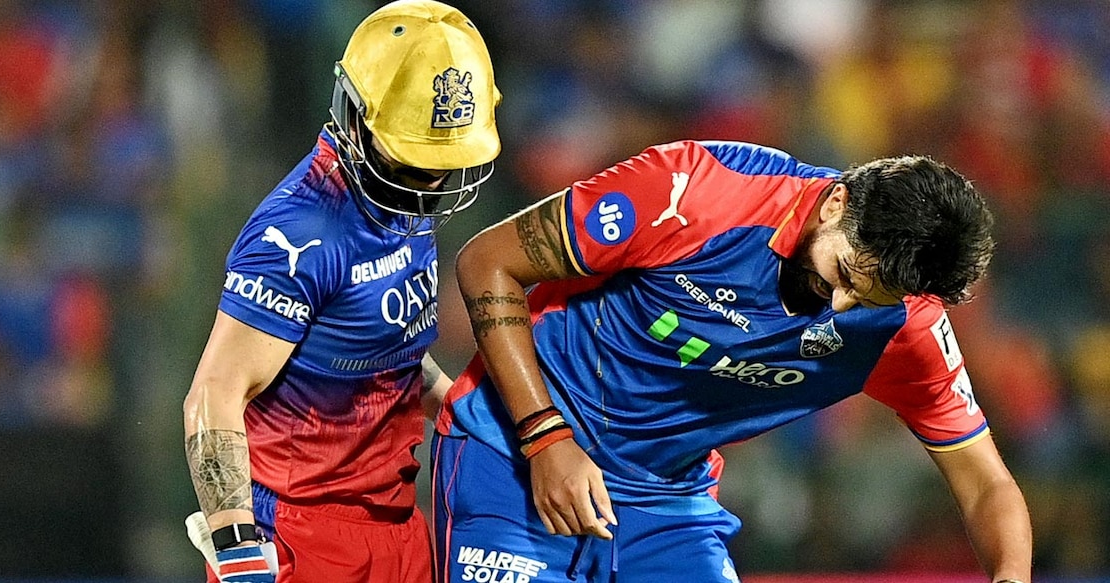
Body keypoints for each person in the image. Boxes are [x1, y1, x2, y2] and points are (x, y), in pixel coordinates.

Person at [432, 140, 1033, 583]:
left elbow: (986, 484)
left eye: (870, 299)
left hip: (664, 504)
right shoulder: (696, 189)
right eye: (844, 275)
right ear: (835, 205)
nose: (841, 306)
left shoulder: (905, 327)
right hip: (514, 455)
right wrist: (545, 438)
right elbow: (488, 260)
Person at [181, 1, 501, 581]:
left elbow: (381, 349)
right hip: (301, 536)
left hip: (400, 525)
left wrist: (466, 412)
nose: (429, 186)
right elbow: (215, 392)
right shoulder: (299, 231)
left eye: (440, 163)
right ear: (355, 118)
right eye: (411, 161)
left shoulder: (401, 201)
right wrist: (235, 546)